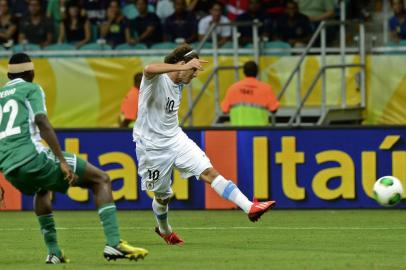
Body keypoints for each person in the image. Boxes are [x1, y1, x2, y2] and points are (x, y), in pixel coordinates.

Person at [0, 53, 148, 264]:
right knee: (101, 180)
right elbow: (41, 121)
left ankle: (54, 252)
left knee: (42, 189)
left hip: (10, 168)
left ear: (9, 74)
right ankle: (114, 243)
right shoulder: (31, 89)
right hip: (33, 157)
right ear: (31, 72)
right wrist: (60, 159)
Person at [133, 44, 276, 245]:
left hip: (176, 139)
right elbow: (148, 69)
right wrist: (181, 67)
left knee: (209, 172)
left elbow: (179, 72)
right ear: (181, 65)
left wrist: (185, 67)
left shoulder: (180, 83)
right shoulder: (155, 80)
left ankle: (249, 208)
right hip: (151, 147)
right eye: (192, 70)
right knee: (163, 196)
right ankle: (164, 230)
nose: (194, 75)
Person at [221, 61, 279, 126]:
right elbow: (274, 109)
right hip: (259, 132)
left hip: (239, 132)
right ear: (257, 72)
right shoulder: (266, 89)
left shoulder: (233, 88)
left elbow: (224, 110)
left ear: (244, 72)